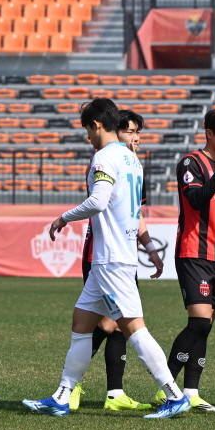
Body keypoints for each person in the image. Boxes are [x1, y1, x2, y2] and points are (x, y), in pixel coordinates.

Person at [22, 98, 189, 419]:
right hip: (113, 257)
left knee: (134, 329)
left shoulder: (104, 157)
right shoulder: (131, 159)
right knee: (81, 322)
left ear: (96, 125)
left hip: (111, 258)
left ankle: (174, 395)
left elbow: (98, 201)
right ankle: (62, 396)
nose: (87, 136)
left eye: (87, 129)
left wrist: (64, 217)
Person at [69, 109, 163, 412]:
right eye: (130, 131)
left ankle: (111, 392)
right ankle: (72, 387)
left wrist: (149, 247)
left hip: (120, 255)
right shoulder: (110, 160)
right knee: (108, 324)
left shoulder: (130, 163)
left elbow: (135, 214)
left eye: (138, 132)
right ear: (115, 131)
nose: (135, 138)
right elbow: (100, 203)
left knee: (114, 325)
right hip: (102, 254)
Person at [160, 108, 215, 412]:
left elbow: (211, 210)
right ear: (209, 133)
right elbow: (195, 200)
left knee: (206, 326)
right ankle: (166, 388)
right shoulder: (191, 162)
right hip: (193, 253)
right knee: (198, 322)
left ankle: (191, 392)